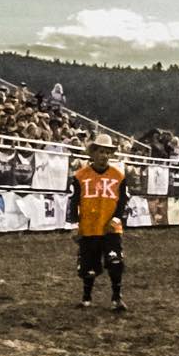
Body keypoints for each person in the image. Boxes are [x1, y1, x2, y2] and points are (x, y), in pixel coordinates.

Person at [68, 133, 130, 311]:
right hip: (88, 228)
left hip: (111, 228)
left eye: (108, 152)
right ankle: (86, 298)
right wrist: (74, 225)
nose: (105, 156)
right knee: (88, 267)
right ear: (93, 153)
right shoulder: (80, 176)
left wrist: (116, 219)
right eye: (101, 151)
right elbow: (73, 202)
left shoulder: (118, 176)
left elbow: (123, 202)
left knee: (115, 262)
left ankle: (116, 299)